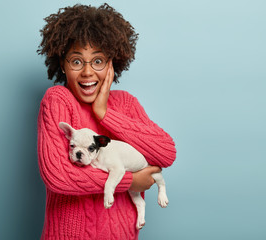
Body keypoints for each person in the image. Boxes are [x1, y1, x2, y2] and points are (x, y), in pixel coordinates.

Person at [37, 3, 176, 240]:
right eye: (77, 61)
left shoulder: (126, 103)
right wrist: (131, 180)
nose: (88, 72)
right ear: (63, 64)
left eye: (98, 61)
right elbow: (58, 176)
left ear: (113, 63)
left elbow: (166, 153)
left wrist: (104, 113)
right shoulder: (58, 99)